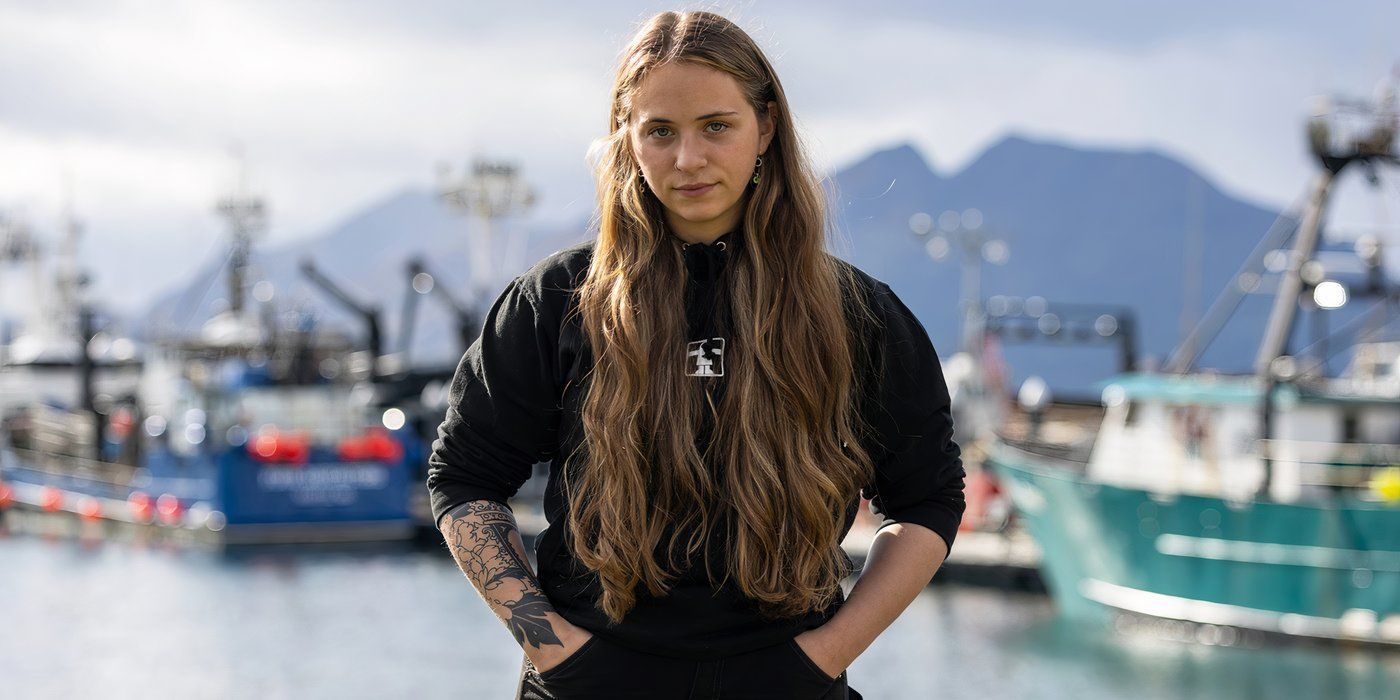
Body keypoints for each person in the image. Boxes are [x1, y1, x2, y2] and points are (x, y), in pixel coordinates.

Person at [425, 10, 966, 700]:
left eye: (716, 126)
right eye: (660, 132)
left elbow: (926, 500)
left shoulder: (854, 313)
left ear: (765, 127)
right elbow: (466, 477)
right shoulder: (556, 301)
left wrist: (821, 658)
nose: (688, 160)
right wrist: (561, 656)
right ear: (628, 136)